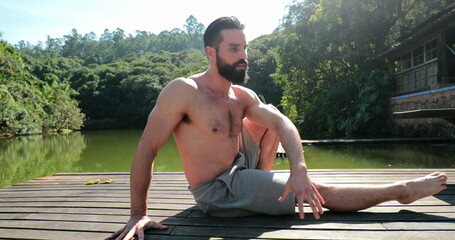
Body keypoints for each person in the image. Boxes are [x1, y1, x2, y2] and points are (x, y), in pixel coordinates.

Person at [111, 17, 448, 240]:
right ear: (211, 53)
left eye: (245, 48)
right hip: (217, 189)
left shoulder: (240, 94)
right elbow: (147, 148)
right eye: (234, 49)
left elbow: (282, 124)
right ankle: (400, 190)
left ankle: (266, 188)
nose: (244, 56)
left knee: (270, 118)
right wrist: (138, 213)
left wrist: (298, 168)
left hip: (240, 167)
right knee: (319, 193)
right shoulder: (184, 91)